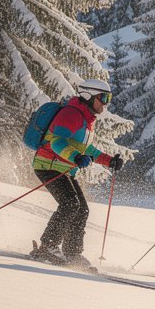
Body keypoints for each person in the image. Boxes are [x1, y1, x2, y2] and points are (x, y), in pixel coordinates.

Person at [29, 78, 125, 271]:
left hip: (62, 168)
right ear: (89, 96)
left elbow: (87, 149)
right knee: (70, 203)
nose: (105, 103)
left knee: (82, 209)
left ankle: (72, 253)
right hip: (48, 165)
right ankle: (48, 246)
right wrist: (75, 157)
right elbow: (57, 142)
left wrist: (109, 161)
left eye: (108, 98)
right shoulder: (71, 114)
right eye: (103, 98)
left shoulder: (86, 119)